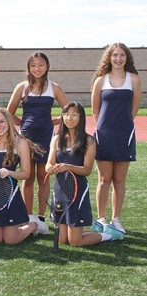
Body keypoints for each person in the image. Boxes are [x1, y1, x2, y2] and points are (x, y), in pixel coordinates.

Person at [46, 102, 124, 247]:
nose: (69, 118)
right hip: (60, 191)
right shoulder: (56, 139)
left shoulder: (89, 141)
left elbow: (87, 170)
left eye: (74, 114)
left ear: (81, 118)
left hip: (77, 192)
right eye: (66, 114)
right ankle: (94, 232)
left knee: (75, 242)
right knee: (63, 240)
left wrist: (68, 166)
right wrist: (51, 168)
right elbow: (48, 165)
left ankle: (109, 235)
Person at [7, 51, 69, 223]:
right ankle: (28, 216)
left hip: (45, 137)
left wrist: (54, 121)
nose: (37, 68)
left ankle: (41, 217)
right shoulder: (22, 87)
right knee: (27, 177)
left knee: (43, 177)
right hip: (25, 138)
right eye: (33, 65)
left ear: (47, 66)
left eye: (41, 64)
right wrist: (23, 122)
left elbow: (69, 111)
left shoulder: (54, 87)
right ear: (28, 67)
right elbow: (8, 113)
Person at [0, 107, 49, 244]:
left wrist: (10, 173)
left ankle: (34, 225)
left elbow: (26, 174)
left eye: (1, 122)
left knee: (10, 240)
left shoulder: (20, 143)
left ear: (9, 121)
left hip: (10, 195)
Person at [91, 43, 141, 234]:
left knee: (119, 180)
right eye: (115, 55)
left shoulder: (134, 79)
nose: (118, 58)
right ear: (109, 58)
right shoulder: (100, 81)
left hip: (124, 135)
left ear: (126, 58)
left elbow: (134, 109)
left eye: (122, 55)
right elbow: (96, 111)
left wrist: (122, 125)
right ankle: (101, 219)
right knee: (104, 180)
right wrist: (106, 127)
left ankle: (116, 219)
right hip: (104, 135)